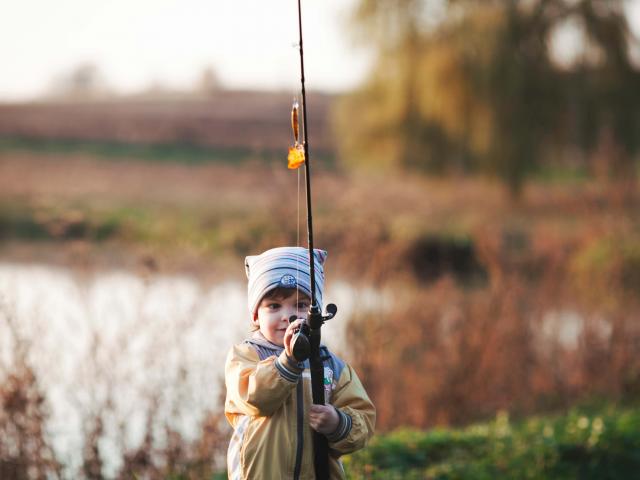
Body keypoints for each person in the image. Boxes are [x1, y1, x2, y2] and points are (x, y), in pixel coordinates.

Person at [224, 246, 375, 479]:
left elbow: (363, 420)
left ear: (316, 314)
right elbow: (254, 399)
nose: (288, 316)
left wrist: (338, 423)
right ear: (255, 314)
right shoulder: (245, 356)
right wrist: (288, 362)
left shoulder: (331, 366)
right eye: (274, 306)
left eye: (301, 305)